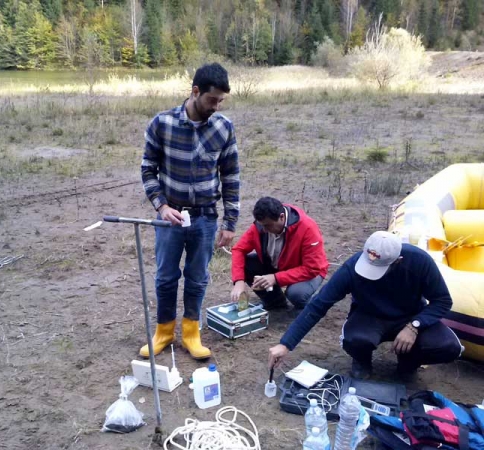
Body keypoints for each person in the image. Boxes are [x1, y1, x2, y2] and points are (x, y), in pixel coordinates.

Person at [140, 63, 240, 360]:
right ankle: (164, 332)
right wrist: (161, 205)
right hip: (170, 218)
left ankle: (192, 333)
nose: (216, 106)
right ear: (195, 91)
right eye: (212, 100)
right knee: (165, 278)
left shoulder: (224, 128)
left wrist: (230, 221)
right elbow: (148, 169)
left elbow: (231, 176)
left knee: (198, 278)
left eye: (221, 101)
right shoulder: (162, 123)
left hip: (205, 219)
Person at [268, 231, 463, 379]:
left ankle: (408, 362)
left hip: (410, 316)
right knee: (355, 339)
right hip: (369, 315)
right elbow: (318, 305)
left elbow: (443, 300)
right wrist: (286, 344)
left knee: (448, 347)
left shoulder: (420, 262)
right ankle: (362, 361)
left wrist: (414, 326)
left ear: (398, 261)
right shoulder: (352, 268)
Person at [230, 197, 328, 311]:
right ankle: (276, 304)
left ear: (282, 217)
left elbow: (312, 268)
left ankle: (309, 307)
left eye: (268, 226)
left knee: (296, 294)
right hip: (278, 264)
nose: (264, 230)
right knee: (247, 264)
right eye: (261, 225)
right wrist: (239, 282)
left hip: (308, 272)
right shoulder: (262, 224)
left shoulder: (307, 228)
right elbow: (239, 249)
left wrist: (275, 278)